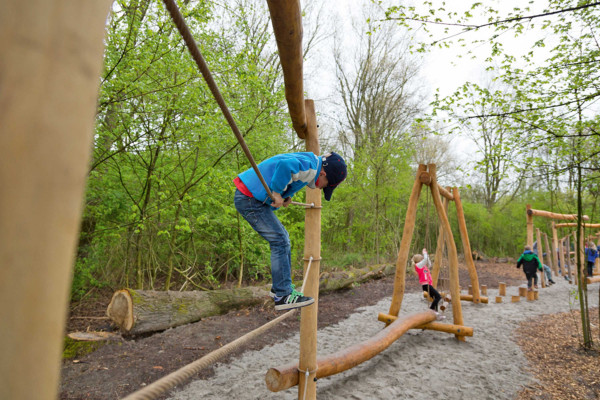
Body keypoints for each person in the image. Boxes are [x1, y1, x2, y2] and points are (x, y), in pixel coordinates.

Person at [234, 151, 347, 311]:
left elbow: (291, 174)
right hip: (249, 198)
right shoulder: (311, 168)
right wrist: (277, 192)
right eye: (326, 185)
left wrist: (286, 195)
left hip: (250, 197)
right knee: (280, 240)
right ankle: (283, 294)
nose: (322, 188)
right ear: (323, 173)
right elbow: (285, 166)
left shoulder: (310, 163)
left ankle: (279, 289)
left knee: (283, 239)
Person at [412, 248, 444, 320]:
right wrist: (424, 253)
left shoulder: (424, 266)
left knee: (435, 298)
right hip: (426, 285)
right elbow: (425, 260)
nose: (423, 259)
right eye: (422, 258)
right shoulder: (418, 265)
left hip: (429, 285)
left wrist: (427, 256)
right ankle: (431, 310)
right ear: (419, 260)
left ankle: (436, 314)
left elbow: (429, 264)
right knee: (438, 297)